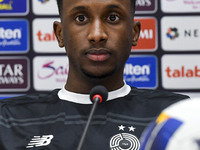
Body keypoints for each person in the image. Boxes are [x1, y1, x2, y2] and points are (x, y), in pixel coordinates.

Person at [0, 0, 189, 149]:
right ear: (60, 34)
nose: (97, 34)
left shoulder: (173, 114)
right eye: (81, 18)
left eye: (113, 18)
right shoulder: (8, 119)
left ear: (134, 33)